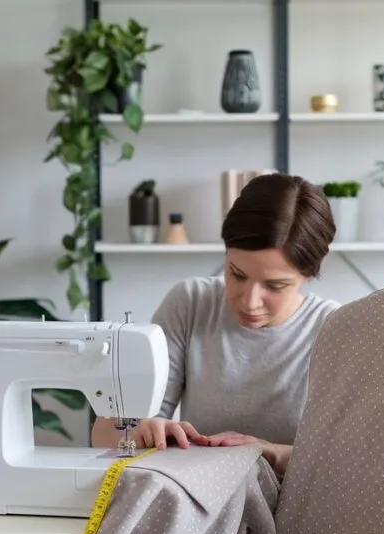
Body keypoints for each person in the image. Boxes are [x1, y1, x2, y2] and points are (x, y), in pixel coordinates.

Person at [91, 172, 342, 477]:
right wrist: (143, 430)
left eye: (275, 286)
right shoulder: (191, 303)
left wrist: (274, 454)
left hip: (293, 512)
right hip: (200, 501)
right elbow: (104, 432)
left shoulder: (335, 329)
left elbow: (345, 459)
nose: (250, 301)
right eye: (237, 274)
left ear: (310, 274)